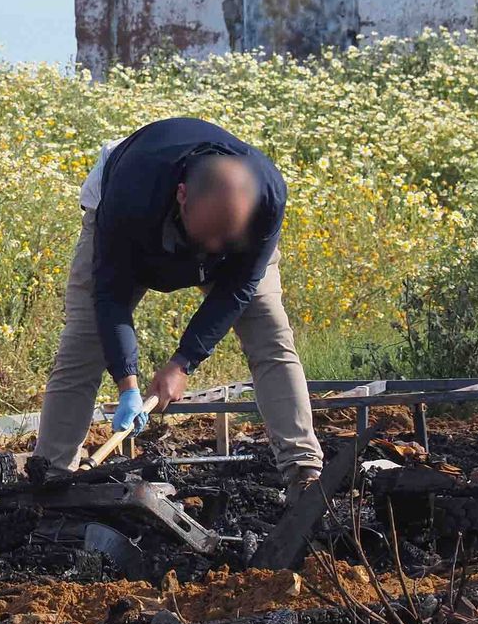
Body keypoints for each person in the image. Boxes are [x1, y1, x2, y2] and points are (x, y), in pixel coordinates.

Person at [32, 117, 323, 481]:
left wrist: (183, 362)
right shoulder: (129, 197)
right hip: (135, 224)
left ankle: (303, 469)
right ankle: (51, 473)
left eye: (225, 238)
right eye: (207, 236)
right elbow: (109, 295)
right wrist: (128, 385)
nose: (213, 248)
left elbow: (238, 288)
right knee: (84, 342)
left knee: (270, 336)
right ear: (182, 196)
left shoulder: (266, 199)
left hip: (228, 245)